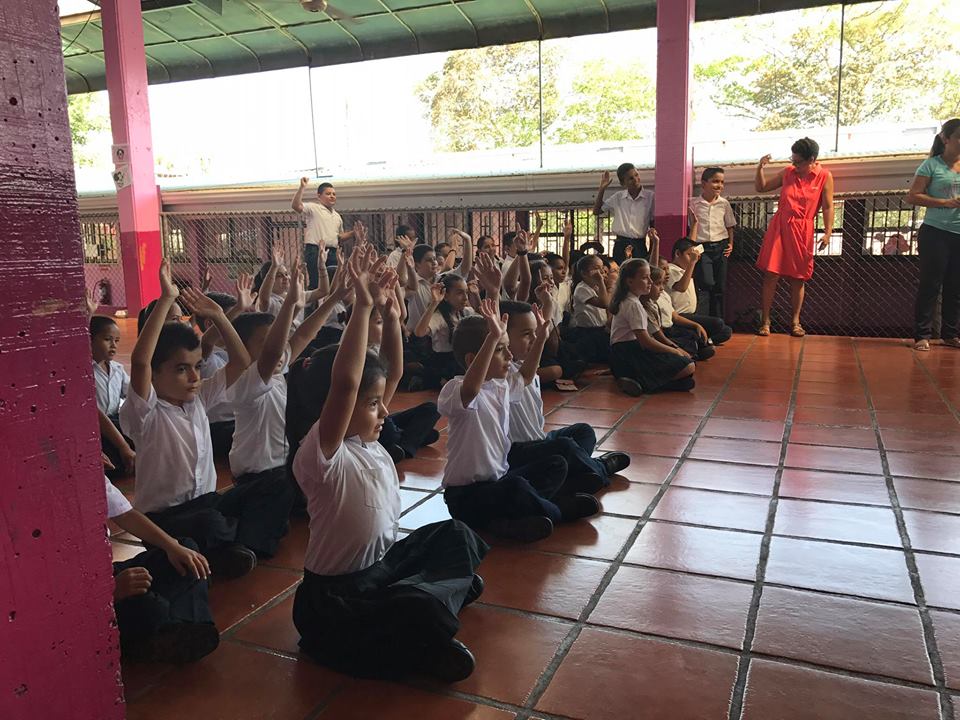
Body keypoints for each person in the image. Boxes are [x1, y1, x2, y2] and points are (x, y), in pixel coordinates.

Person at [288, 245, 487, 682]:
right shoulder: (323, 454)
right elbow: (346, 385)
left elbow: (392, 373)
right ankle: (430, 617)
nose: (384, 411)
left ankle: (433, 603)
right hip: (334, 600)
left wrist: (392, 317)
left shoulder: (369, 440)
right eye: (372, 404)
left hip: (380, 569)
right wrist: (362, 308)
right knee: (413, 609)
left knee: (456, 535)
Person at [120, 260, 294, 578]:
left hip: (208, 502)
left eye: (197, 367)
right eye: (181, 369)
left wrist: (219, 316)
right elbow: (141, 361)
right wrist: (167, 299)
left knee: (277, 482)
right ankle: (234, 543)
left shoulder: (199, 400)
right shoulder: (145, 413)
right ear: (155, 375)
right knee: (209, 524)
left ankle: (240, 547)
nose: (193, 377)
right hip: (165, 518)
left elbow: (240, 361)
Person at [440, 301, 600, 543]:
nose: (510, 355)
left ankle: (513, 518)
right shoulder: (456, 391)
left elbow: (525, 376)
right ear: (473, 359)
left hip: (499, 480)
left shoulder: (500, 386)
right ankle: (556, 511)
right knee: (516, 488)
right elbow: (472, 388)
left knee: (555, 464)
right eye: (500, 349)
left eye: (506, 347)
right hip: (465, 496)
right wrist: (491, 338)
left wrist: (541, 339)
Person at [500, 299, 629, 488]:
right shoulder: (502, 373)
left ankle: (577, 472)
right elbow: (525, 374)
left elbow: (531, 362)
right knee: (565, 447)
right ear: (502, 335)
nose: (535, 338)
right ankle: (600, 468)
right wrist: (540, 339)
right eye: (527, 334)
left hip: (540, 439)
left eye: (536, 333)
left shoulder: (524, 363)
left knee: (583, 432)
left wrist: (546, 307)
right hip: (520, 451)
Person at [103, 468, 219, 664]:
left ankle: (178, 629)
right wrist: (109, 593)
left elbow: (125, 514)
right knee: (150, 608)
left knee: (187, 554)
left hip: (106, 573)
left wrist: (172, 546)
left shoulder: (85, 472)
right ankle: (169, 628)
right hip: (85, 598)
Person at [754, 137, 835, 337]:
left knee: (798, 277)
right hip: (780, 226)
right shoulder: (788, 172)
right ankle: (765, 321)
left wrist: (828, 232)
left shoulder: (824, 176)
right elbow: (762, 187)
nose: (795, 165)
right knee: (771, 274)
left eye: (799, 162)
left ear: (812, 159)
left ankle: (795, 322)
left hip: (802, 229)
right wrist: (760, 168)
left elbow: (827, 206)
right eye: (793, 160)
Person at [907, 119, 960, 351]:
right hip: (935, 233)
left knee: (955, 286)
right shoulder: (931, 165)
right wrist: (945, 203)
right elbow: (913, 196)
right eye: (959, 137)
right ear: (946, 139)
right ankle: (922, 335)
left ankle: (950, 334)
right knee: (930, 284)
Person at [609, 259, 696, 396]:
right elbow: (646, 342)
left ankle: (638, 380)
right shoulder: (633, 304)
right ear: (630, 281)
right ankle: (642, 382)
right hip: (628, 354)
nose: (650, 281)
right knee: (688, 366)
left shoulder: (631, 300)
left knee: (687, 381)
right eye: (645, 278)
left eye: (650, 277)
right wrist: (674, 351)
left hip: (622, 354)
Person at [90, 315, 136, 476]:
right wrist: (124, 446)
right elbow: (96, 414)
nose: (113, 345)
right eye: (107, 339)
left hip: (116, 420)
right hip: (97, 427)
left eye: (116, 341)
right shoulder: (86, 372)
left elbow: (133, 394)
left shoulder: (117, 369)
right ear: (89, 340)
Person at [292, 177, 359, 285]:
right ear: (319, 196)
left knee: (333, 283)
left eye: (334, 194)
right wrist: (302, 187)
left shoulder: (337, 216)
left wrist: (353, 233)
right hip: (315, 250)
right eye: (328, 194)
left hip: (332, 251)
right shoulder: (314, 208)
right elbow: (296, 206)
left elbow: (339, 237)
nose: (332, 196)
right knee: (317, 282)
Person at [689, 167, 736, 318]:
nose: (719, 185)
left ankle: (718, 321)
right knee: (706, 283)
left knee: (720, 287)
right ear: (704, 184)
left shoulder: (724, 203)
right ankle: (705, 319)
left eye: (722, 182)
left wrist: (731, 244)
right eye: (715, 181)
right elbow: (691, 226)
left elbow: (729, 226)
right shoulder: (694, 203)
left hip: (721, 247)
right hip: (702, 248)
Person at [414, 273, 475, 387]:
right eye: (459, 293)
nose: (465, 298)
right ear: (445, 296)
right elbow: (419, 332)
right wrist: (434, 303)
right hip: (444, 363)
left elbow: (484, 322)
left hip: (459, 360)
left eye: (466, 292)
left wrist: (476, 295)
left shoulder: (466, 312)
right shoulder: (439, 317)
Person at [667, 238, 733, 345]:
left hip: (692, 314)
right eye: (689, 255)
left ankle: (706, 342)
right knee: (718, 323)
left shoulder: (687, 270)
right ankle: (698, 342)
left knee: (726, 331)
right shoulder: (670, 269)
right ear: (678, 254)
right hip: (679, 316)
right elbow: (681, 287)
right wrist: (692, 263)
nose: (693, 258)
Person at [593, 163, 655, 263]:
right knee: (620, 271)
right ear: (623, 183)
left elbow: (653, 224)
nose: (635, 179)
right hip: (620, 244)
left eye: (636, 175)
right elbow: (596, 211)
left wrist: (652, 250)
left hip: (639, 245)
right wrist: (602, 189)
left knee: (640, 270)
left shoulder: (650, 197)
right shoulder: (618, 197)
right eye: (630, 178)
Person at [565, 254, 612, 363]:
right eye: (596, 268)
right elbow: (604, 303)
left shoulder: (596, 287)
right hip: (587, 333)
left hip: (600, 330)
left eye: (602, 268)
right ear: (584, 273)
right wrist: (601, 282)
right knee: (593, 362)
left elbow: (608, 304)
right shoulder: (582, 288)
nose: (601, 272)